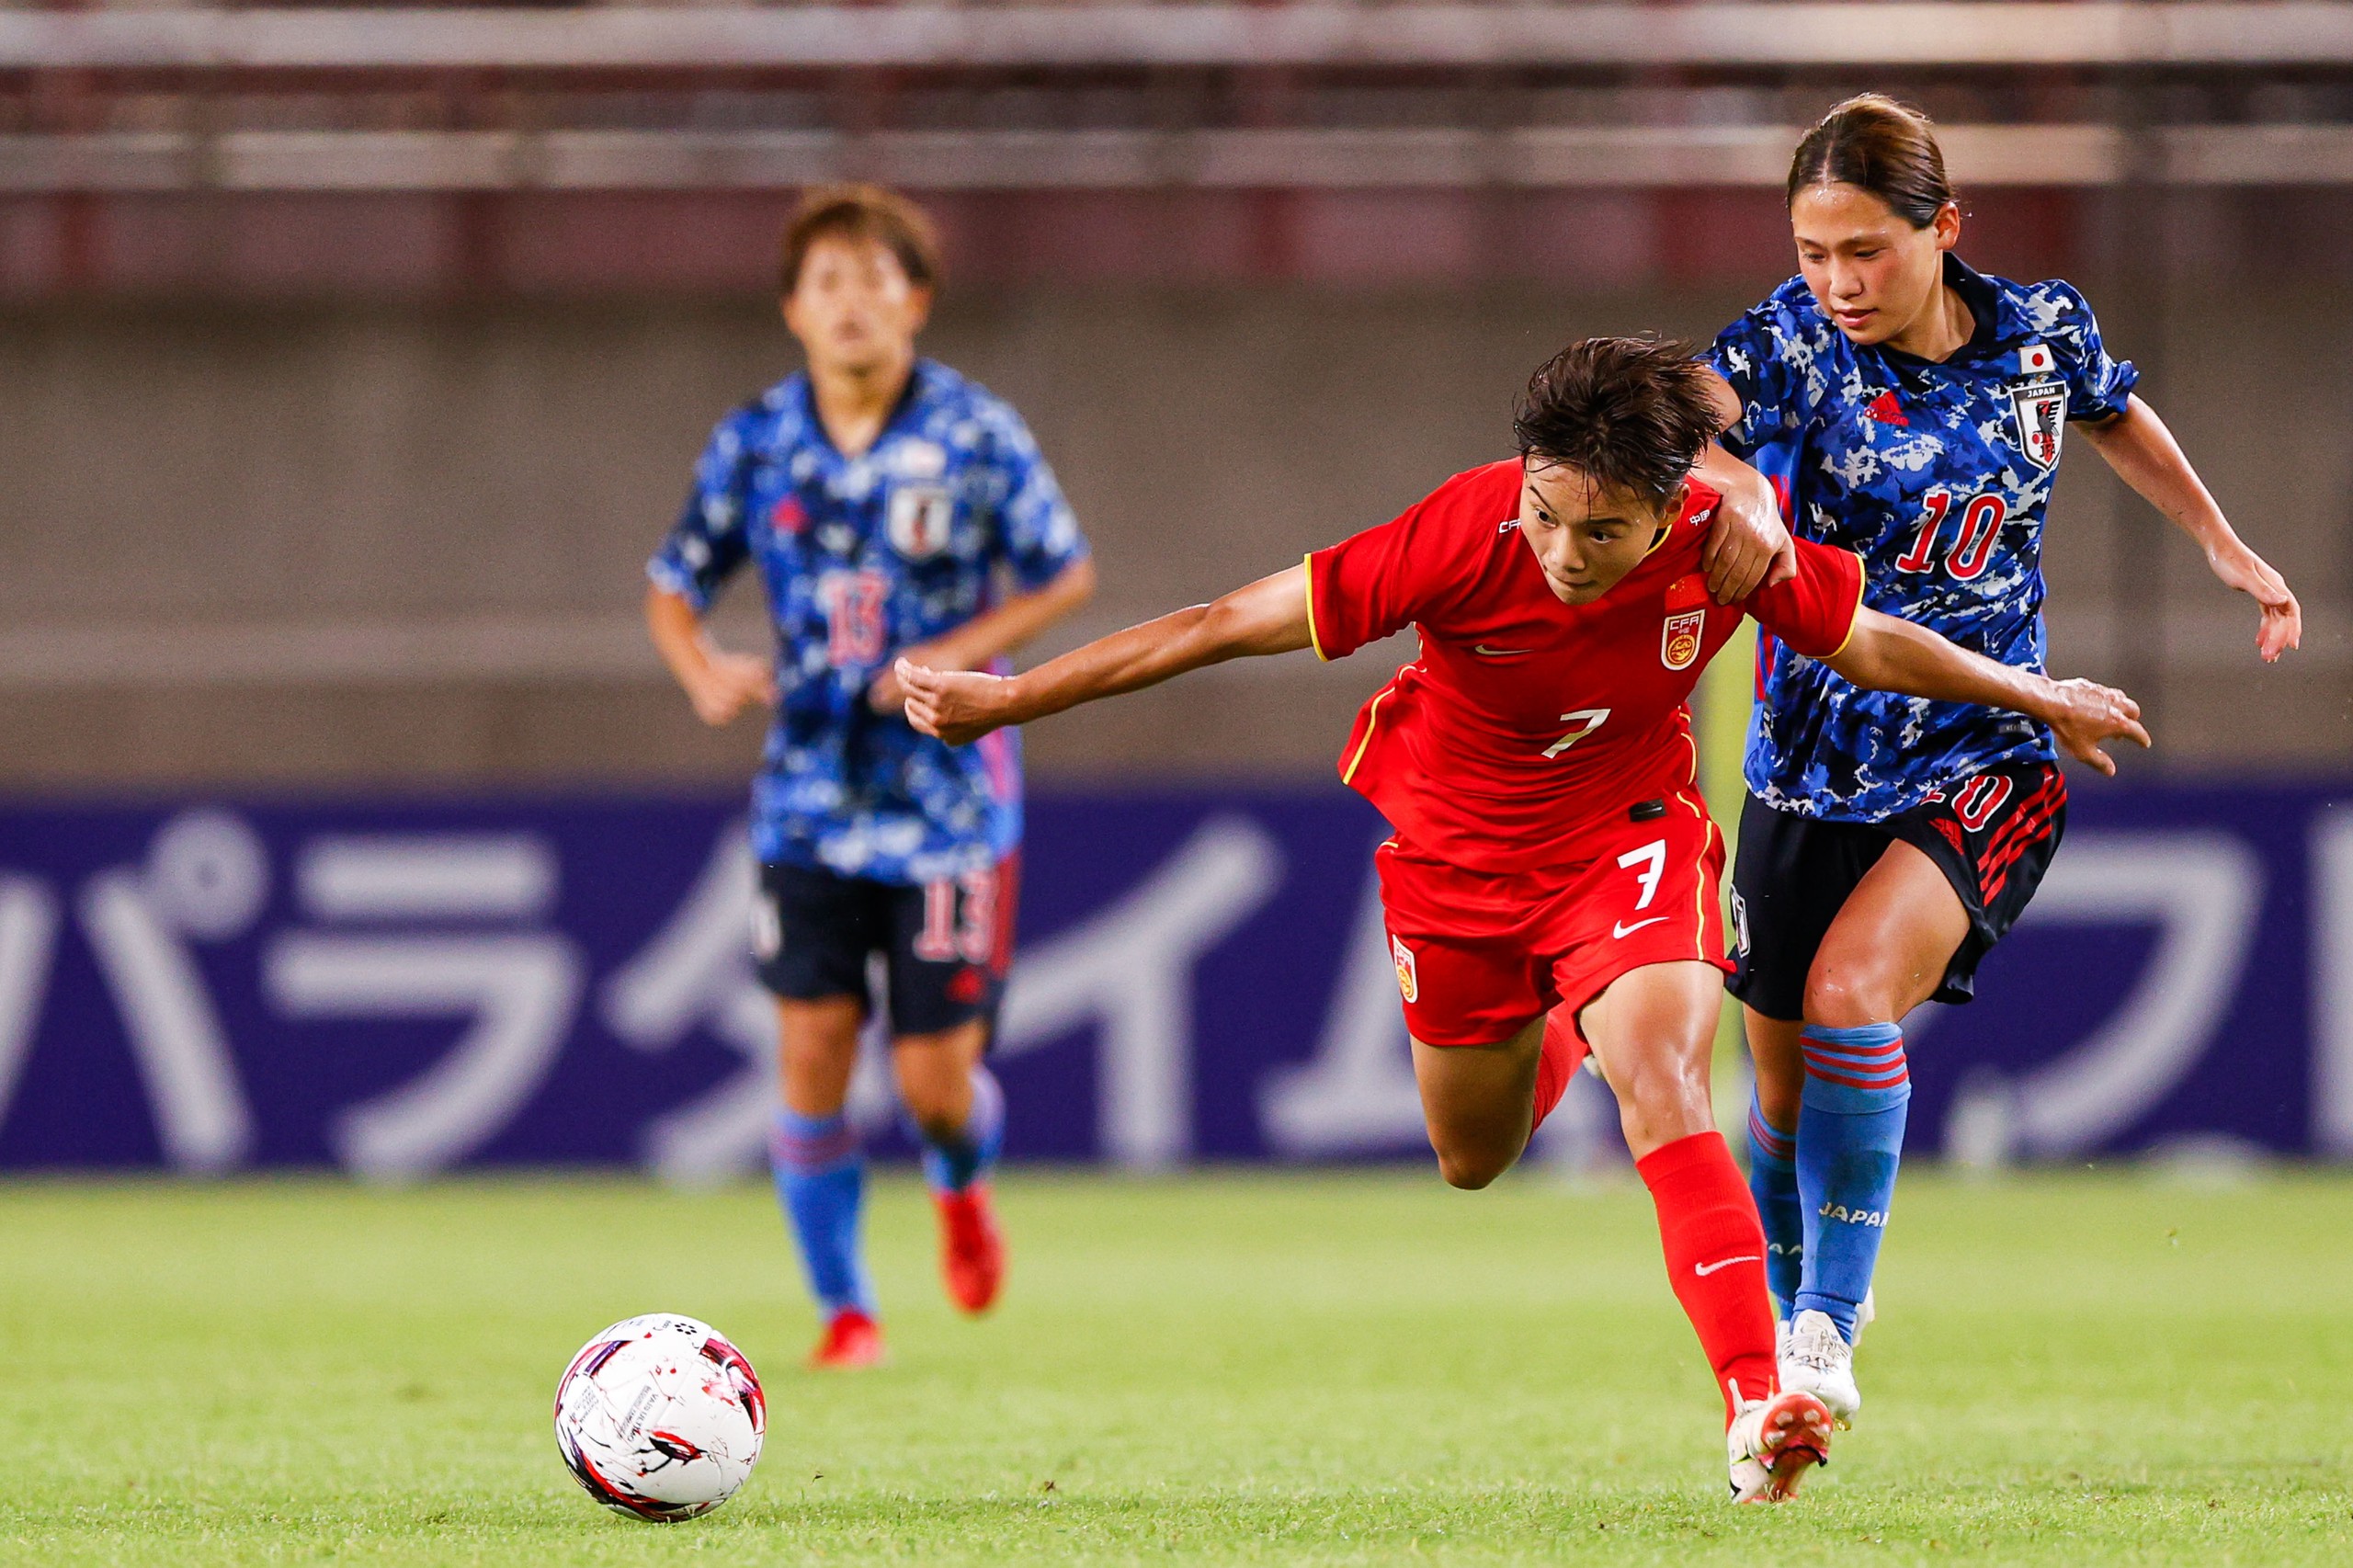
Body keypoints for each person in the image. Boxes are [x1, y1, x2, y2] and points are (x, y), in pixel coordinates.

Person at [896, 335, 2148, 1501]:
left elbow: (1868, 640)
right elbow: (1225, 622)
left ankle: (1756, 1399)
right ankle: (1569, 1013)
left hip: (1628, 837)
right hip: (1458, 864)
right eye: (1547, 514)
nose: (1562, 550)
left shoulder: (1724, 541)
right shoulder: (1460, 530)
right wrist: (1010, 702)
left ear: (1669, 506)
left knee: (1664, 1074)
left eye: (1602, 530)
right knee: (1472, 1153)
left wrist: (2034, 693)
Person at [1703, 94, 2302, 1426]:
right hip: (1807, 767)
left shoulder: (2044, 333)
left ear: (1945, 230)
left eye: (1867, 249)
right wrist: (1733, 484)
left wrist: (2217, 541)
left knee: (1855, 991)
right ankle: (1780, 1388)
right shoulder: (1794, 345)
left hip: (1992, 740)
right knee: (1783, 1093)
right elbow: (1698, 413)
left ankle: (1821, 1335)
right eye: (1812, 251)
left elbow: (2115, 410)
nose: (1838, 281)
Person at [644, 185, 1097, 1368]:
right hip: (804, 795)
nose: (851, 304)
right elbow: (673, 579)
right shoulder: (755, 441)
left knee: (933, 1083)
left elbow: (1064, 569)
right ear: (794, 308)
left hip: (948, 802)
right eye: (827, 282)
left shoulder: (977, 433)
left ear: (918, 300)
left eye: (874, 279)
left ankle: (960, 1182)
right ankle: (846, 1311)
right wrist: (698, 667)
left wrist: (959, 653)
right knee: (809, 1055)